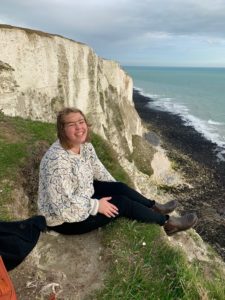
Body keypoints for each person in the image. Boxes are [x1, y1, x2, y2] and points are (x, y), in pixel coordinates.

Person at [38, 107, 197, 236]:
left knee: (119, 188)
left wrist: (116, 189)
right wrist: (96, 206)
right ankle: (168, 223)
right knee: (122, 204)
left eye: (81, 121)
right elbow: (62, 207)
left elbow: (98, 170)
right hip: (65, 221)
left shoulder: (84, 146)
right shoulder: (57, 161)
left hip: (80, 195)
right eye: (72, 124)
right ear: (62, 129)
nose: (79, 127)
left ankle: (153, 207)